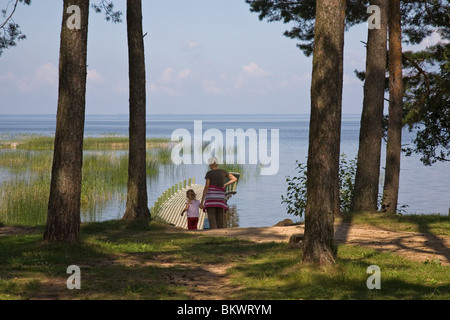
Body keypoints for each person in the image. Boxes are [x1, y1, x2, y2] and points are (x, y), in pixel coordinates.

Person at [201, 157, 237, 229]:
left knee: (211, 217)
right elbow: (234, 178)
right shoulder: (223, 172)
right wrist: (225, 184)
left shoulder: (209, 173)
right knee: (219, 217)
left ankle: (214, 233)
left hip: (211, 198)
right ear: (217, 164)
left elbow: (206, 187)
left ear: (210, 165)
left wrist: (202, 201)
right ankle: (221, 233)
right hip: (220, 198)